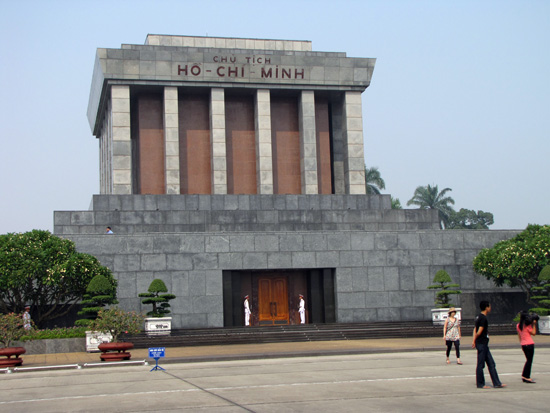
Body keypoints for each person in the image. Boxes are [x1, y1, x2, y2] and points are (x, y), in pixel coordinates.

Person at [472, 300, 506, 389]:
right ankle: (480, 384)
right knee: (480, 364)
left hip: (483, 344)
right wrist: (475, 340)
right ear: (486, 307)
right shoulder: (483, 318)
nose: (490, 308)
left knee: (491, 364)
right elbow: (478, 331)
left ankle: (497, 383)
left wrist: (473, 341)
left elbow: (474, 330)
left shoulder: (478, 317)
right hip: (482, 344)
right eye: (489, 306)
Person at [517, 310, 537, 383]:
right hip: (529, 344)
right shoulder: (527, 325)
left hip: (523, 344)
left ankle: (525, 375)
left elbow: (519, 335)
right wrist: (534, 324)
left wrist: (521, 342)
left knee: (528, 360)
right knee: (529, 361)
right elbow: (534, 333)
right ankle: (526, 376)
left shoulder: (518, 325)